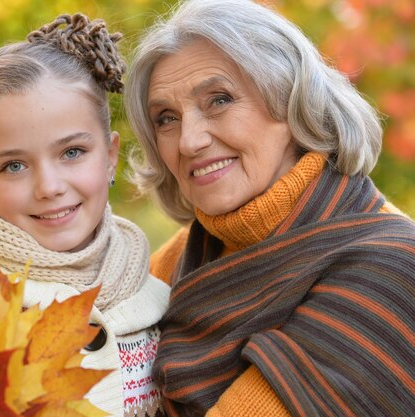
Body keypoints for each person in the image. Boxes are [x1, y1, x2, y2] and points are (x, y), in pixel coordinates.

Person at [125, 0, 415, 416]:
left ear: (292, 101)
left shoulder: (392, 267)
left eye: (219, 100)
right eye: (166, 118)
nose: (188, 141)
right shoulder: (179, 257)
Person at [0, 13, 169, 417]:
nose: (48, 187)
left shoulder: (155, 298)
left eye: (72, 152)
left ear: (110, 156)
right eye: (14, 166)